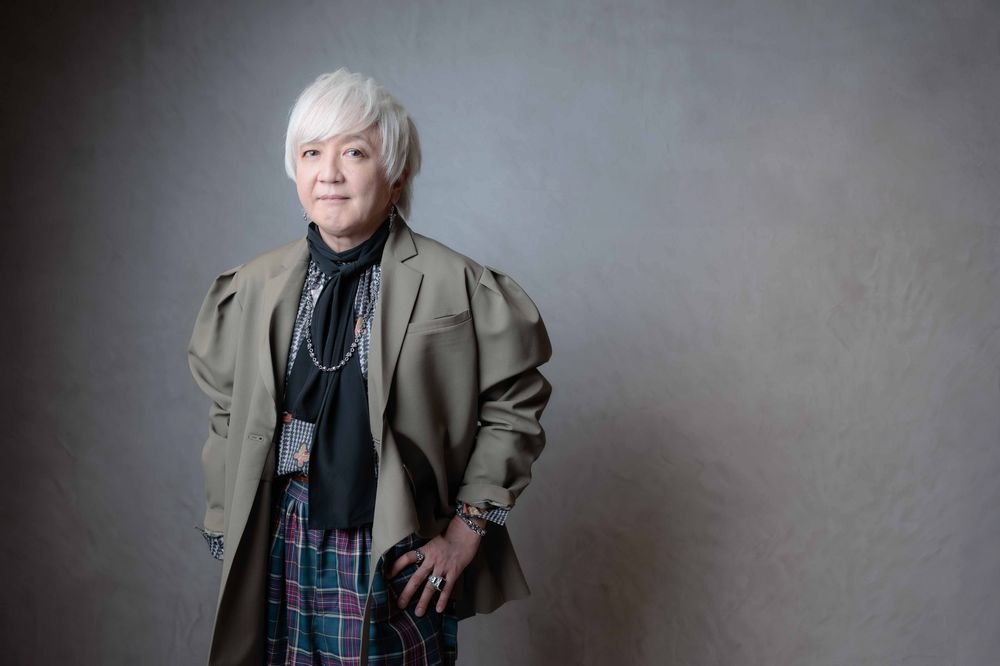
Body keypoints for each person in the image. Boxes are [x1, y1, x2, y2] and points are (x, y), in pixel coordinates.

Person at [187, 69, 552, 666]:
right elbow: (228, 412)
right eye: (311, 152)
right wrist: (227, 523)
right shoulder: (253, 285)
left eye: (353, 152)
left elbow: (514, 407)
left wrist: (465, 533)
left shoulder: (456, 282)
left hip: (394, 540)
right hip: (279, 534)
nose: (328, 173)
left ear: (396, 174)